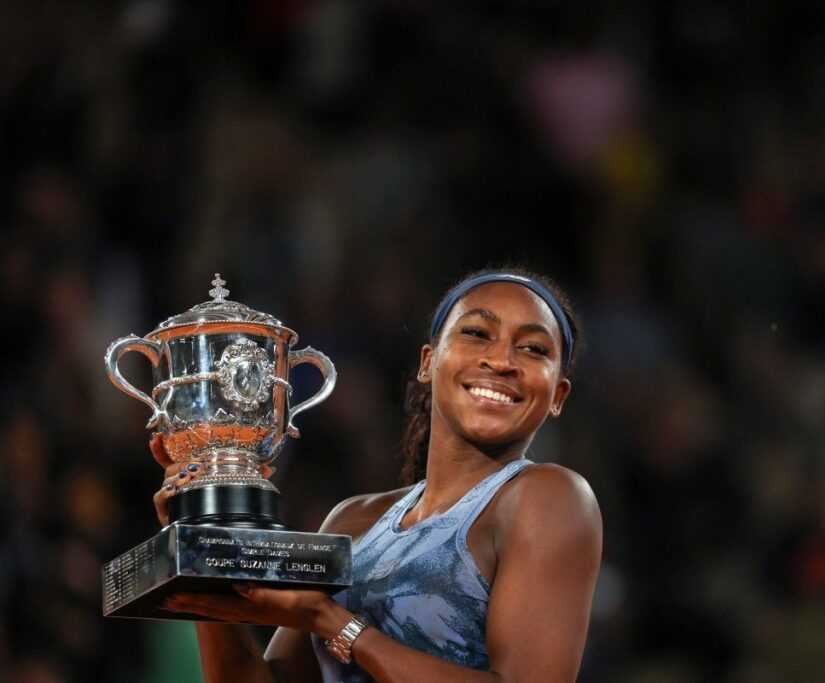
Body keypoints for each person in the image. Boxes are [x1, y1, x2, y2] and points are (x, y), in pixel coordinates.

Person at [150, 269, 603, 682]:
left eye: (533, 348)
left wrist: (334, 622)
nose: (501, 359)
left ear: (558, 394)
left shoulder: (550, 498)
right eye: (477, 333)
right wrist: (198, 548)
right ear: (428, 362)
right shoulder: (354, 520)